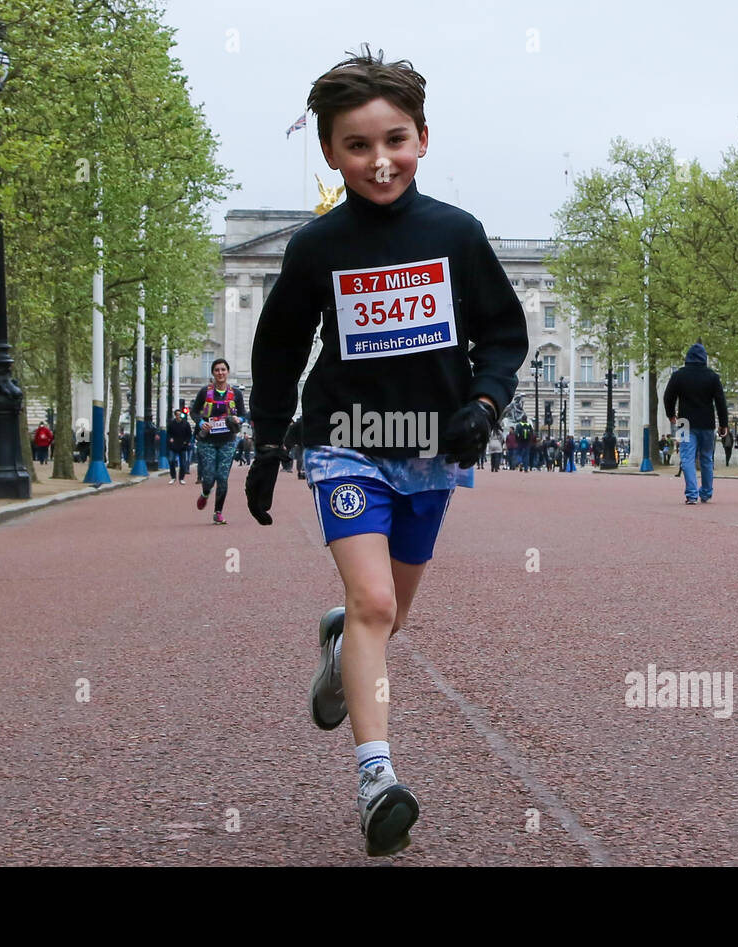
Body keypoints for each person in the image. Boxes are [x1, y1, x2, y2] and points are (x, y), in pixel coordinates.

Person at [244, 47, 528, 857]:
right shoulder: (315, 246)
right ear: (331, 153)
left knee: (390, 612)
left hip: (432, 450)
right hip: (345, 442)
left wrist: (484, 402)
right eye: (358, 146)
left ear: (424, 139)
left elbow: (505, 336)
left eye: (394, 140)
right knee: (372, 602)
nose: (379, 161)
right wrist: (268, 442)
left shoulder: (455, 233)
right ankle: (378, 779)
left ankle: (340, 654)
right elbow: (278, 350)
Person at [663, 342, 729, 504]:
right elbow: (721, 402)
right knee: (707, 458)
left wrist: (671, 415)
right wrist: (723, 424)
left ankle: (691, 494)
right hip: (707, 422)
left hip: (685, 421)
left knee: (686, 457)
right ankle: (706, 492)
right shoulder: (713, 376)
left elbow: (668, 397)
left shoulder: (678, 375)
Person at [191, 357, 246, 525]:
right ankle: (206, 492)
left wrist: (239, 420)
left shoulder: (236, 393)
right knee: (208, 478)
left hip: (228, 441)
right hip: (207, 441)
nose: (220, 373)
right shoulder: (204, 392)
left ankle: (218, 512)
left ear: (227, 372)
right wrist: (201, 423)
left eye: (223, 370)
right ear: (213, 373)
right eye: (217, 370)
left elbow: (244, 415)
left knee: (222, 477)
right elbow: (194, 412)